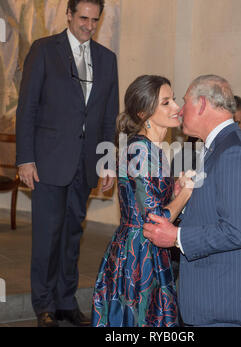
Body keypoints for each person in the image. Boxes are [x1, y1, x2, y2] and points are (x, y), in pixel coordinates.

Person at [16, 0, 119, 327]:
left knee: (73, 234)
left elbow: (107, 119)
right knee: (48, 235)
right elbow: (27, 108)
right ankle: (43, 304)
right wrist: (25, 159)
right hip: (47, 162)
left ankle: (65, 301)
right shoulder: (44, 50)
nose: (89, 26)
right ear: (69, 15)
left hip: (85, 163)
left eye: (94, 20)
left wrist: (107, 162)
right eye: (83, 18)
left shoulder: (107, 60)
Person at [143, 75, 241, 327]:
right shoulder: (219, 147)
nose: (180, 110)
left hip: (226, 307)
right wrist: (188, 199)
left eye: (185, 102)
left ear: (201, 104)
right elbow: (219, 210)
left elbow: (237, 231)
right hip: (214, 304)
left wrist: (176, 237)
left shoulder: (233, 152)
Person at [92, 75, 194, 327]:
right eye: (166, 103)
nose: (177, 108)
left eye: (173, 100)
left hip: (145, 248)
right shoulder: (140, 151)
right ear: (144, 113)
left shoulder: (150, 149)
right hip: (140, 254)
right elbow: (155, 219)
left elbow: (151, 201)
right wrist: (186, 193)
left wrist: (176, 190)